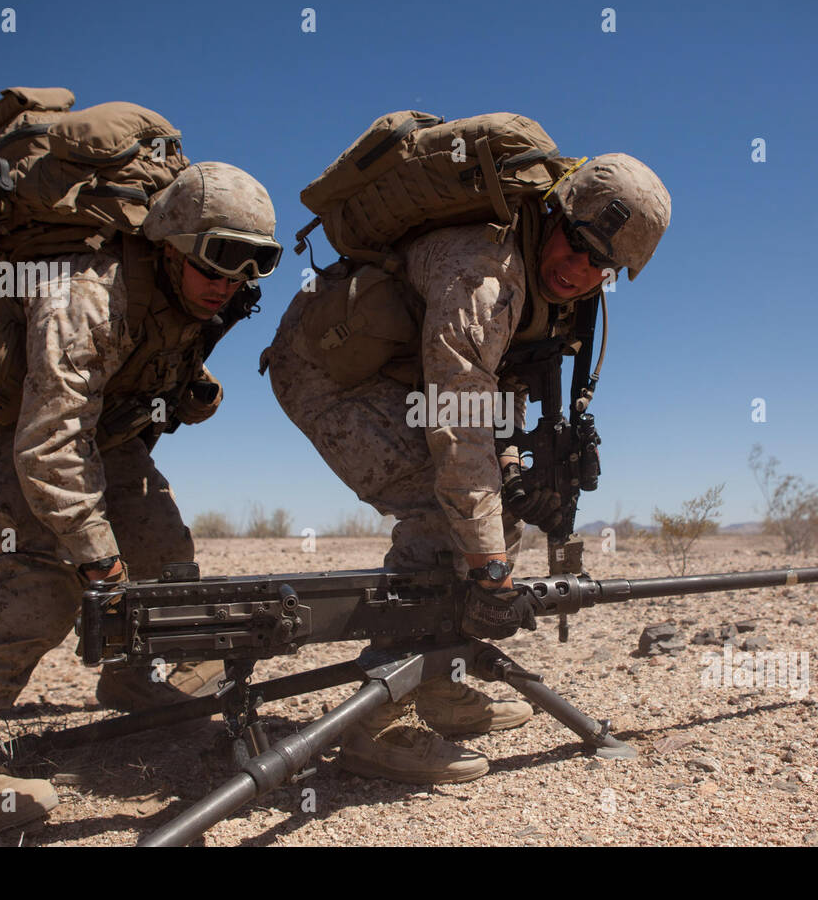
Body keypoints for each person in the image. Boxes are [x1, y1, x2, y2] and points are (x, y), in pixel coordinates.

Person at [0, 162, 284, 835]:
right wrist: (99, 561)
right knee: (44, 576)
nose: (231, 280)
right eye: (218, 257)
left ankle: (130, 676)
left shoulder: (193, 297)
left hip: (96, 430)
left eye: (256, 263)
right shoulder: (86, 296)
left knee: (164, 554)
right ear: (169, 247)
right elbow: (49, 445)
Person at [265, 153, 671, 784]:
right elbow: (458, 428)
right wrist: (491, 573)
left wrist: (511, 473)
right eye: (577, 244)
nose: (580, 270)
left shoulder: (560, 292)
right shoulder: (483, 275)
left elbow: (501, 389)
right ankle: (377, 725)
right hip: (328, 371)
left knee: (493, 511)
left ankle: (439, 682)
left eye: (602, 265)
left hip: (410, 379)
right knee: (440, 511)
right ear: (555, 215)